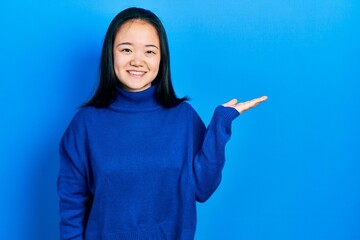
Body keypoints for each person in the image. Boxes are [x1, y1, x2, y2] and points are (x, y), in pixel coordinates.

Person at [57, 7, 267, 240]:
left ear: (161, 58)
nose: (137, 61)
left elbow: (202, 189)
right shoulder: (85, 124)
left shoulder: (183, 117)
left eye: (149, 51)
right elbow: (72, 204)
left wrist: (220, 124)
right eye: (126, 49)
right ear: (111, 54)